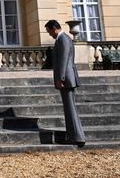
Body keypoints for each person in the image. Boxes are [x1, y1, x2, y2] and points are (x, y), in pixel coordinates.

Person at [45, 19, 86, 148]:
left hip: (66, 79)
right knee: (69, 109)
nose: (49, 34)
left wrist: (60, 78)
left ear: (54, 28)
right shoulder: (62, 39)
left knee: (70, 109)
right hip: (67, 78)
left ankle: (77, 137)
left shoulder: (63, 39)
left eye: (49, 31)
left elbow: (63, 61)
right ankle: (73, 136)